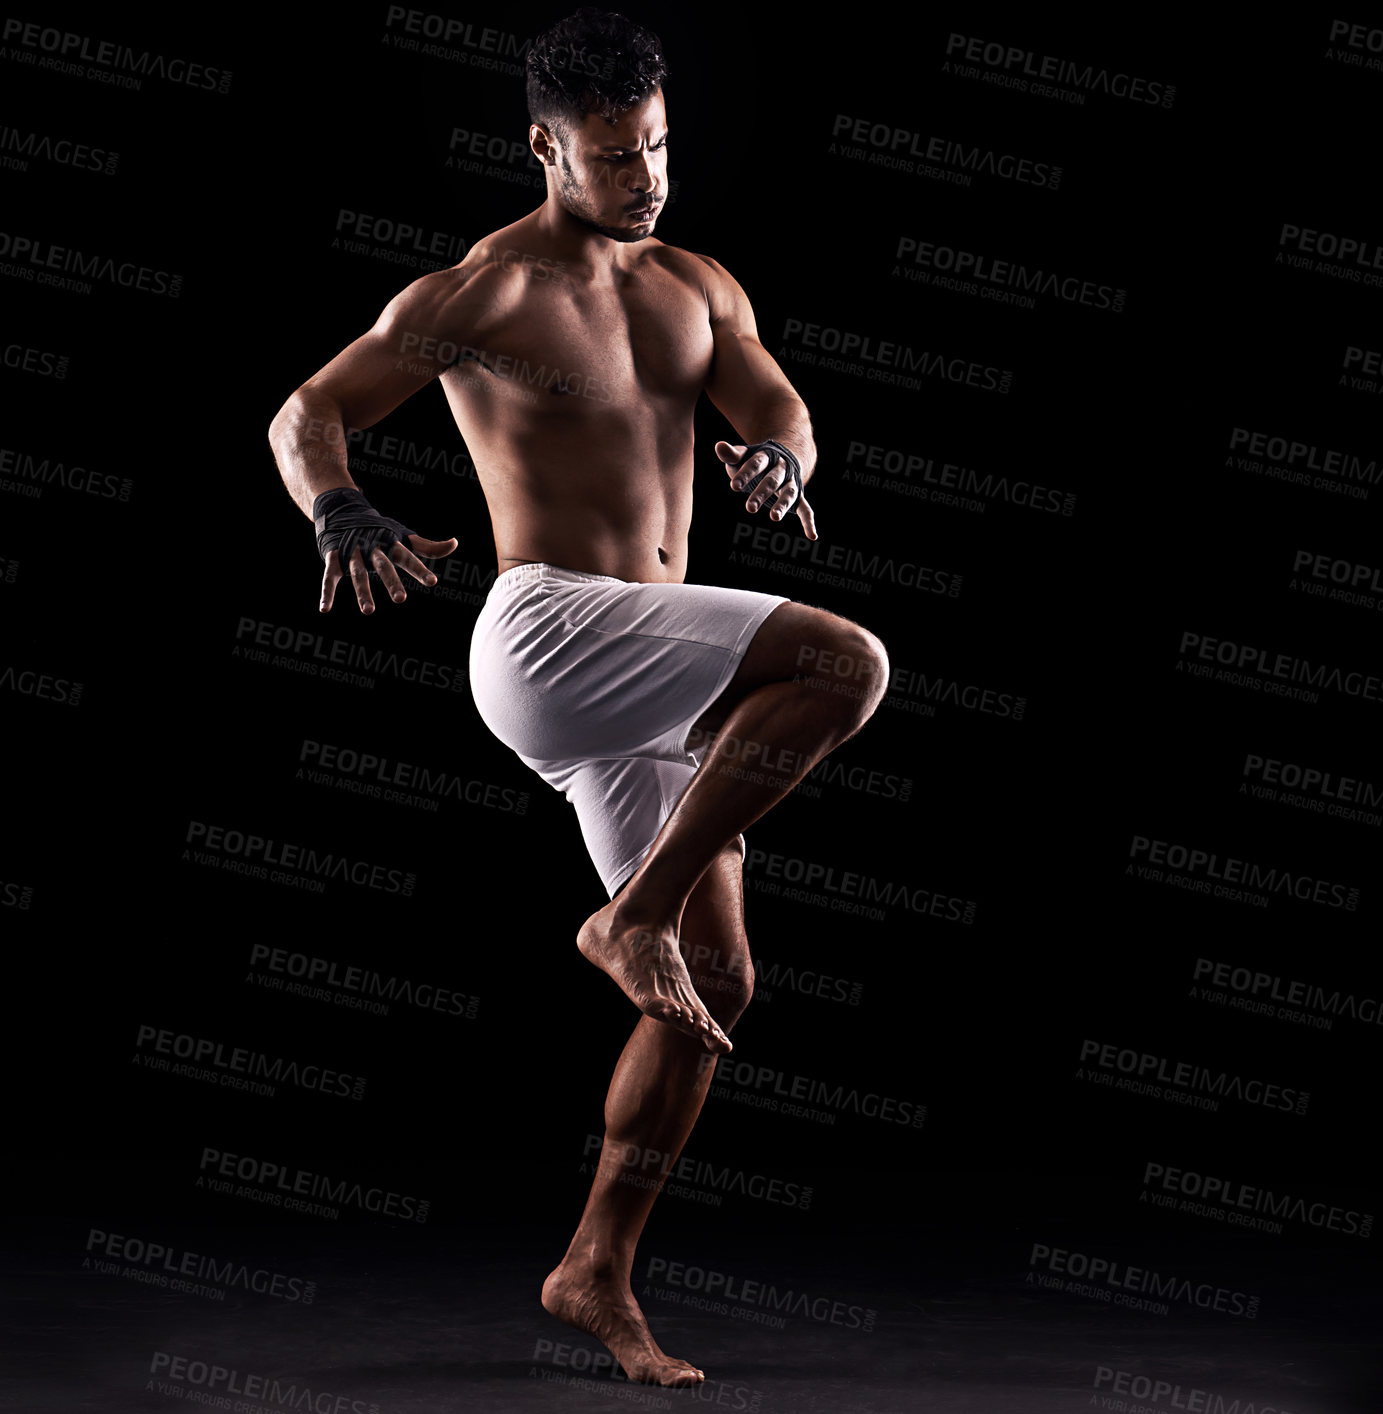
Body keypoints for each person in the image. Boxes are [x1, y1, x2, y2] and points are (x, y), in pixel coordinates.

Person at [269, 7, 889, 1388]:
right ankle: (631, 911)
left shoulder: (696, 282)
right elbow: (305, 410)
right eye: (613, 158)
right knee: (845, 663)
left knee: (715, 985)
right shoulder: (483, 291)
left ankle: (591, 1271)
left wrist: (782, 461)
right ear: (544, 148)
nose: (645, 177)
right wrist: (336, 506)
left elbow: (777, 404)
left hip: (649, 675)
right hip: (551, 632)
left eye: (658, 146)